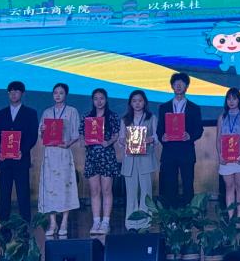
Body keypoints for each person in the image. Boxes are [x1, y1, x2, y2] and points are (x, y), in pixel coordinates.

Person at [0, 80, 39, 222]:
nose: (13, 94)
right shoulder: (0, 114)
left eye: (16, 91)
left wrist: (22, 151)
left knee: (23, 193)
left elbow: (32, 136)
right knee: (4, 193)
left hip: (21, 159)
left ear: (22, 94)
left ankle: (25, 223)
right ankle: (4, 223)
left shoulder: (30, 113)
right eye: (10, 92)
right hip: (4, 160)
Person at [156, 72, 205, 208]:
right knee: (169, 185)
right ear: (172, 86)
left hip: (186, 151)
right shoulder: (164, 107)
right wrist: (162, 137)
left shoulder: (194, 108)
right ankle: (170, 216)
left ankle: (188, 216)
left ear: (187, 86)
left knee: (188, 185)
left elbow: (199, 130)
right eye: (175, 83)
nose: (178, 85)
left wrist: (190, 136)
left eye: (182, 83)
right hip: (169, 152)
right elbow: (159, 130)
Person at [39, 82, 80, 237]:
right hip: (50, 154)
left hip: (63, 152)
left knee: (64, 186)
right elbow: (41, 134)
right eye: (55, 93)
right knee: (50, 187)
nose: (58, 95)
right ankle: (52, 222)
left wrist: (68, 143)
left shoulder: (72, 111)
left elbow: (76, 134)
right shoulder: (47, 112)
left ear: (66, 95)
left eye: (61, 93)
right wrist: (42, 130)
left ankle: (64, 221)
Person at [80, 87, 121, 234]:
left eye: (101, 98)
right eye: (96, 98)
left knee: (107, 190)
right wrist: (84, 141)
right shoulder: (87, 116)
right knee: (94, 190)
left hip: (107, 157)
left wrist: (108, 142)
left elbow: (116, 134)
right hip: (92, 157)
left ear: (106, 100)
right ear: (92, 100)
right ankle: (96, 221)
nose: (99, 101)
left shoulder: (112, 116)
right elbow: (81, 134)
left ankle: (106, 222)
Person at [120, 90, 158, 232]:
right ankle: (131, 223)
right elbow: (120, 139)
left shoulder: (151, 117)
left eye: (140, 101)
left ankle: (145, 222)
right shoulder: (125, 119)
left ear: (144, 102)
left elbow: (156, 137)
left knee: (146, 192)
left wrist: (150, 139)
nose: (137, 103)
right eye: (134, 101)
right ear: (130, 103)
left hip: (145, 158)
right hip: (130, 159)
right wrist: (124, 141)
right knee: (131, 192)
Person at [216, 88, 240, 216]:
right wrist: (220, 155)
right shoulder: (221, 117)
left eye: (234, 98)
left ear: (239, 100)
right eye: (229, 99)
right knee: (229, 186)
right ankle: (230, 216)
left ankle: (239, 217)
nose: (231, 101)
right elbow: (218, 139)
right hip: (225, 156)